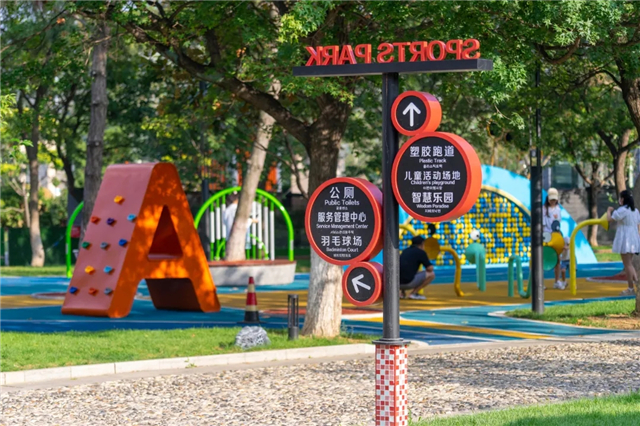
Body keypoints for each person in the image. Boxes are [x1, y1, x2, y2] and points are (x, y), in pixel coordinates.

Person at [607, 189, 640, 296]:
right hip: (633, 238)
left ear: (623, 199)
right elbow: (638, 225)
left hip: (625, 239)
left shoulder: (622, 210)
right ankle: (636, 286)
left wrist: (608, 210)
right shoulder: (635, 211)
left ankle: (631, 289)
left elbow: (609, 219)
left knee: (628, 265)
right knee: (629, 264)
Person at [399, 236, 435, 300]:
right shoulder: (421, 252)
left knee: (406, 270)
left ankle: (402, 293)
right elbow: (430, 268)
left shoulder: (405, 251)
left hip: (397, 283)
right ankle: (414, 293)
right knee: (431, 274)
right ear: (422, 244)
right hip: (408, 283)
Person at [543, 188, 564, 289]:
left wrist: (558, 235)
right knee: (543, 258)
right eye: (551, 199)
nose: (553, 201)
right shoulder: (543, 209)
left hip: (555, 236)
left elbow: (557, 224)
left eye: (554, 199)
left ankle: (557, 281)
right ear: (548, 198)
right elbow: (542, 225)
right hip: (546, 236)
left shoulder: (558, 209)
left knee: (557, 259)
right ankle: (540, 283)